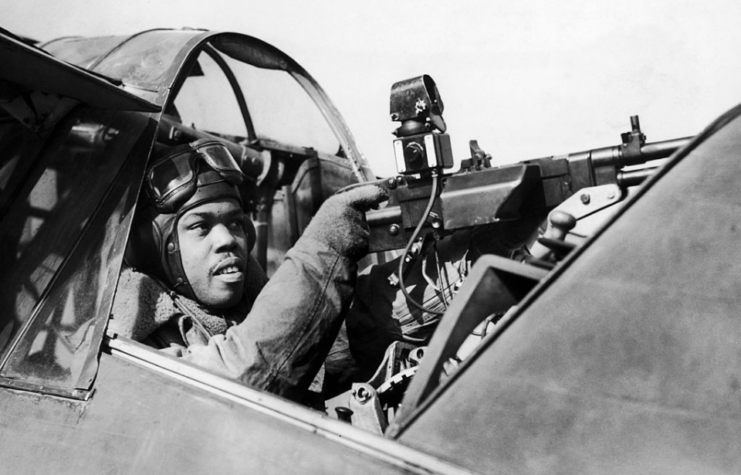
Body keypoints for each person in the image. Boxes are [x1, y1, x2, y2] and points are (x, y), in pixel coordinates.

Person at [107, 139, 387, 402]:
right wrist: (326, 248)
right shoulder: (127, 342)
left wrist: (404, 295)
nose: (227, 239)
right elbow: (237, 380)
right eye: (200, 226)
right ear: (152, 248)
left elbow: (328, 341)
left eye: (235, 223)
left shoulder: (252, 304)